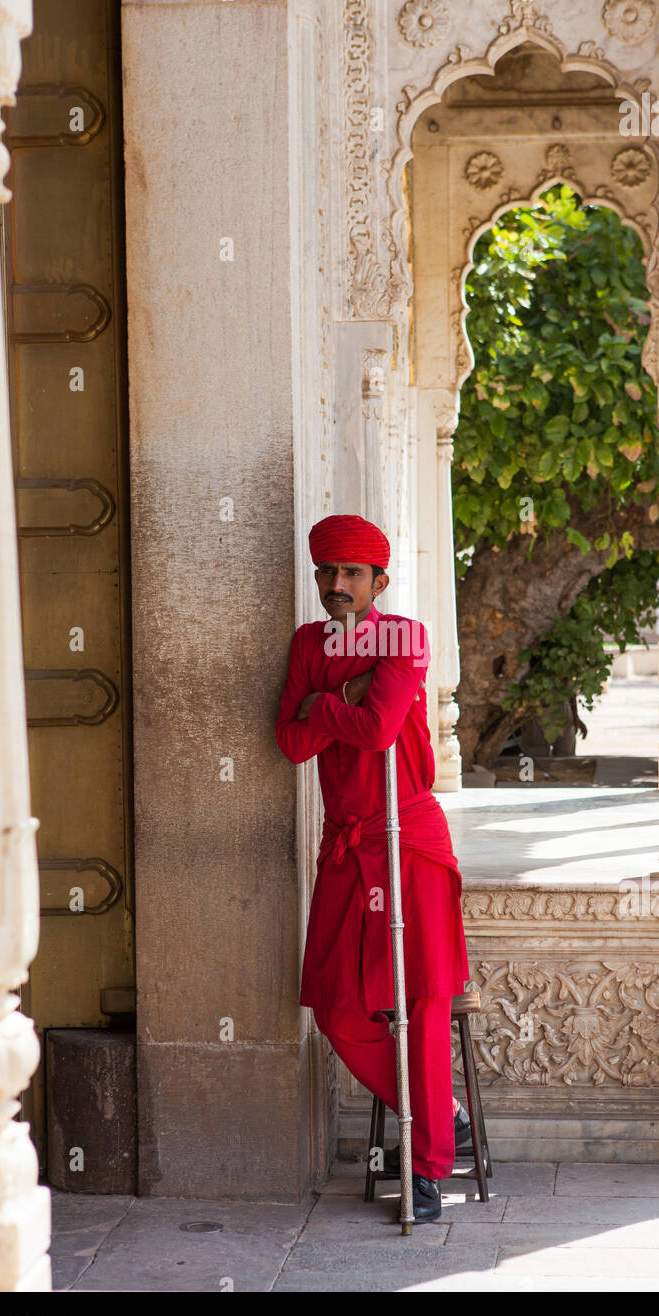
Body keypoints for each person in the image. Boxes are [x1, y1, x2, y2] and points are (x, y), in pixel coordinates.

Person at [275, 513, 472, 1223]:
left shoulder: (406, 638)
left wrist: (323, 703)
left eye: (351, 574)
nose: (336, 586)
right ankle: (441, 1111)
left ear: (379, 581)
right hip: (346, 844)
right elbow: (290, 745)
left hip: (408, 836)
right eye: (327, 573)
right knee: (333, 1004)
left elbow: (376, 729)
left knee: (419, 1002)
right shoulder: (307, 642)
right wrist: (340, 702)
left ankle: (425, 1166)